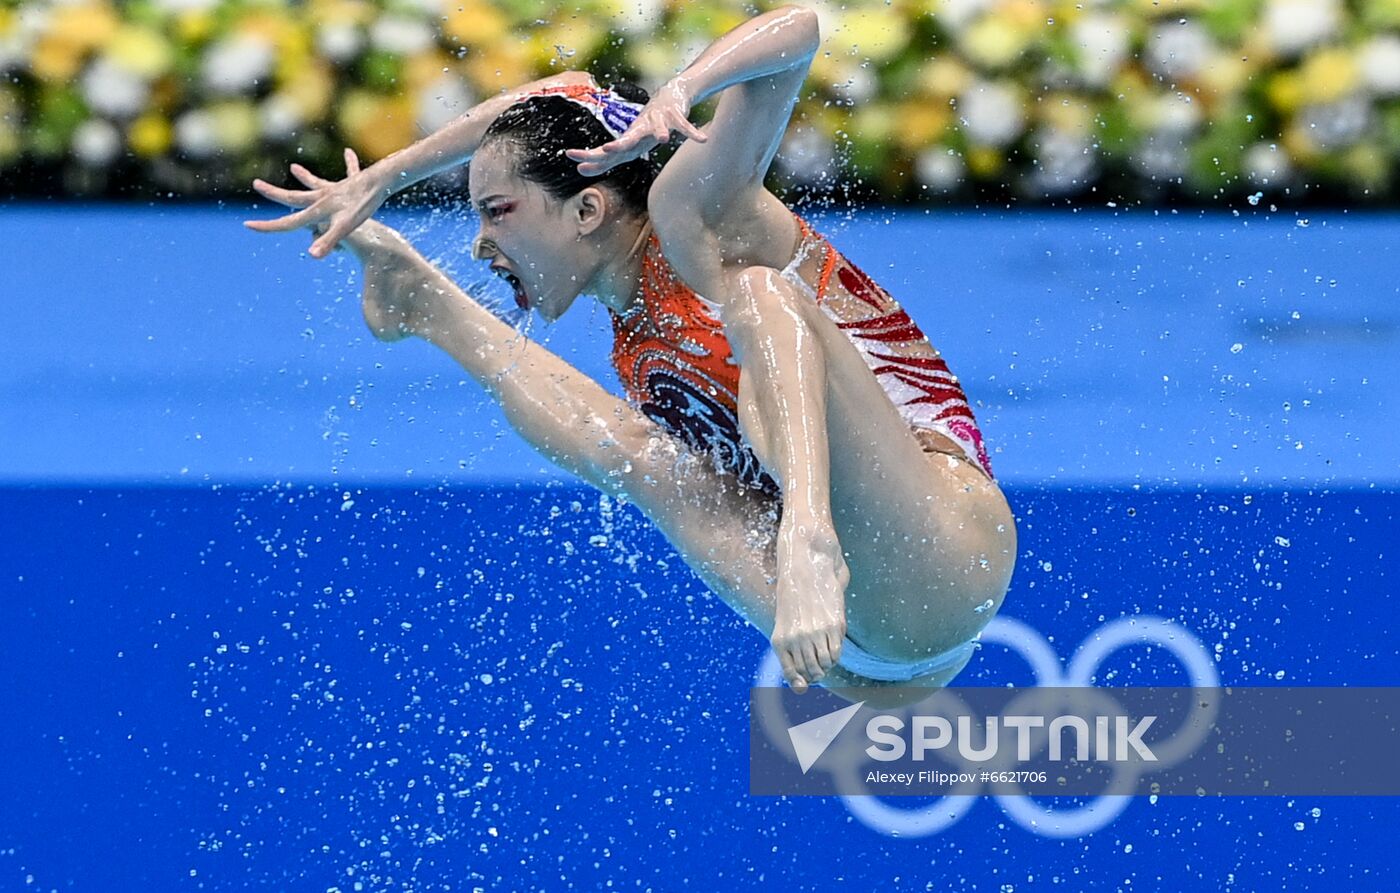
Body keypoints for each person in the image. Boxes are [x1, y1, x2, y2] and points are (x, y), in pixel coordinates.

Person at [246, 4, 1016, 696]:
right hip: (859, 654)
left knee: (760, 296)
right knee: (643, 456)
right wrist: (381, 177)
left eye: (497, 213)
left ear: (587, 208)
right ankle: (423, 304)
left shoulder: (697, 218)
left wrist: (686, 87)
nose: (481, 245)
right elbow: (559, 99)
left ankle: (809, 532)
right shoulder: (630, 317)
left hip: (939, 556)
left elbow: (801, 30)